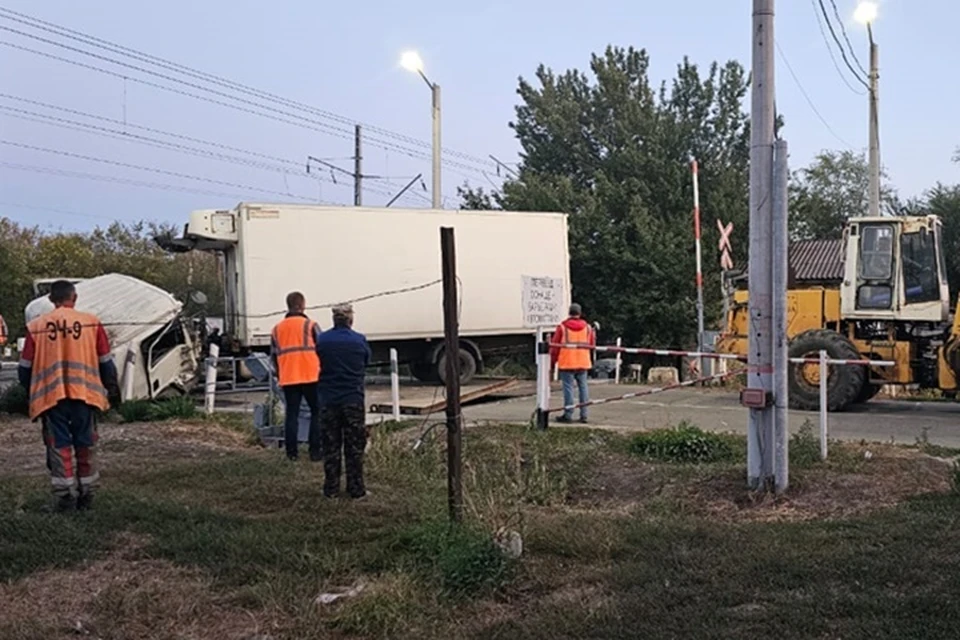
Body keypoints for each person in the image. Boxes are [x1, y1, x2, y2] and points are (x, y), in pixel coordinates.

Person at [18, 280, 119, 512]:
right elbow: (106, 363)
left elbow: (24, 369)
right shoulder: (92, 323)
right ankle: (87, 497)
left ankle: (65, 499)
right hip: (85, 395)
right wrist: (111, 389)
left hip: (51, 399)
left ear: (52, 299)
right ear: (74, 297)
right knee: (86, 444)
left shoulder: (37, 327)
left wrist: (29, 393)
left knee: (59, 446)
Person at [316, 303, 372, 499]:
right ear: (350, 319)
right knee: (354, 447)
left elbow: (319, 361)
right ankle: (356, 489)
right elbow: (366, 362)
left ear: (334, 319)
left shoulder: (322, 340)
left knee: (331, 446)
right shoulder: (359, 341)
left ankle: (331, 489)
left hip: (329, 399)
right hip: (352, 399)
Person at [271, 292, 323, 462]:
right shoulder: (310, 325)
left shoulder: (277, 329)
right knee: (317, 411)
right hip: (311, 375)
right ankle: (315, 451)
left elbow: (274, 356)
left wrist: (280, 375)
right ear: (303, 305)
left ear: (288, 305)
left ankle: (291, 453)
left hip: (289, 376)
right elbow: (322, 349)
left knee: (291, 414)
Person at [550, 302, 595, 424]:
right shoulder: (588, 328)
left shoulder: (562, 327)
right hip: (583, 362)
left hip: (567, 362)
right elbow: (591, 345)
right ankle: (584, 415)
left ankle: (568, 414)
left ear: (569, 313)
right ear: (580, 314)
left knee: (568, 388)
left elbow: (554, 347)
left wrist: (552, 362)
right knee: (583, 388)